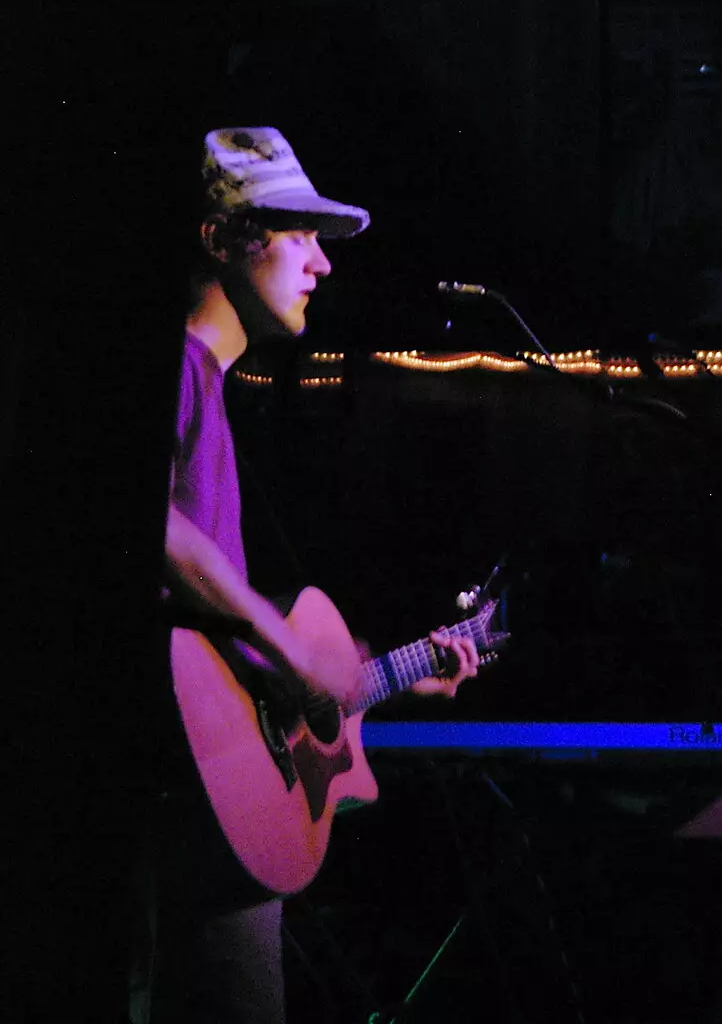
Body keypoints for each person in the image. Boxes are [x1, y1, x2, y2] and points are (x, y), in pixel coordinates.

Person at [133, 126, 482, 1024]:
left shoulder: (211, 387)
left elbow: (229, 660)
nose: (323, 264)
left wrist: (370, 681)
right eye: (299, 234)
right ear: (220, 239)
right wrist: (284, 636)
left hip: (211, 811)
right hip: (176, 812)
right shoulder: (171, 366)